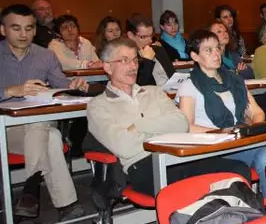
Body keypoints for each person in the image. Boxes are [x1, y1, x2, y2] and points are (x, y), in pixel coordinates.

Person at [87, 38, 252, 196]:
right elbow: (124, 146)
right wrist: (163, 129)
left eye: (135, 60)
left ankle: (234, 220)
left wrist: (138, 126)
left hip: (178, 155)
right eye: (124, 60)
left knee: (238, 170)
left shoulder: (154, 91)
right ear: (107, 67)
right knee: (199, 186)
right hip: (144, 165)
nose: (133, 67)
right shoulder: (98, 105)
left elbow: (181, 123)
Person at [0, 4, 88, 220]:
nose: (24, 34)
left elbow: (61, 84)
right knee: (52, 137)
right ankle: (64, 203)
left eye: (29, 28)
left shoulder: (46, 56)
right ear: (3, 30)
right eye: (16, 28)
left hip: (34, 126)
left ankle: (30, 191)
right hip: (5, 131)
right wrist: (10, 91)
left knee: (41, 127)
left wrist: (74, 85)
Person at [176, 30, 266, 197]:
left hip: (241, 142)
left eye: (218, 48)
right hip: (216, 150)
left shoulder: (235, 80)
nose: (216, 54)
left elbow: (257, 112)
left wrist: (249, 130)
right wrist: (224, 134)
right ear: (195, 56)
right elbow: (187, 126)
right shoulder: (189, 85)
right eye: (208, 50)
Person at [125, 14, 175, 87]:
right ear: (131, 35)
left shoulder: (158, 49)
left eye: (151, 35)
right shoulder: (127, 58)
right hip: (151, 95)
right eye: (143, 37)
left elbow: (172, 74)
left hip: (171, 94)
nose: (150, 40)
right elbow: (139, 87)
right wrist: (147, 61)